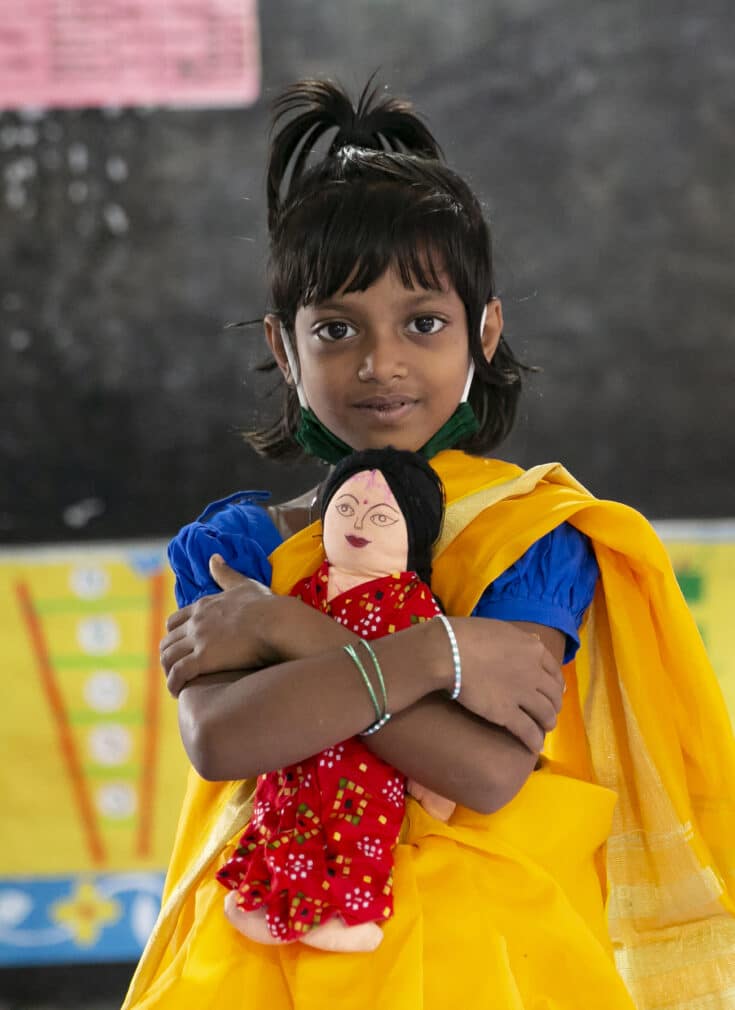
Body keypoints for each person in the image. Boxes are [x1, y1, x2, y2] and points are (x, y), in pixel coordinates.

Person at [123, 79, 735, 1010]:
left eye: (423, 322)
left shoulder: (529, 534)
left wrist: (285, 634)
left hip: (485, 955)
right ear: (284, 351)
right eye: (335, 328)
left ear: (483, 332)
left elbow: (486, 771)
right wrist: (441, 654)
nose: (380, 363)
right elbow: (222, 737)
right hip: (265, 948)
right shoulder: (237, 543)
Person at [216, 447, 451, 954]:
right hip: (297, 738)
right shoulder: (305, 590)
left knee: (354, 831)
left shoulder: (415, 606)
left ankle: (350, 913)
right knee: (280, 816)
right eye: (344, 509)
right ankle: (266, 897)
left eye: (381, 516)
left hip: (368, 753)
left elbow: (429, 687)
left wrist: (433, 778)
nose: (359, 522)